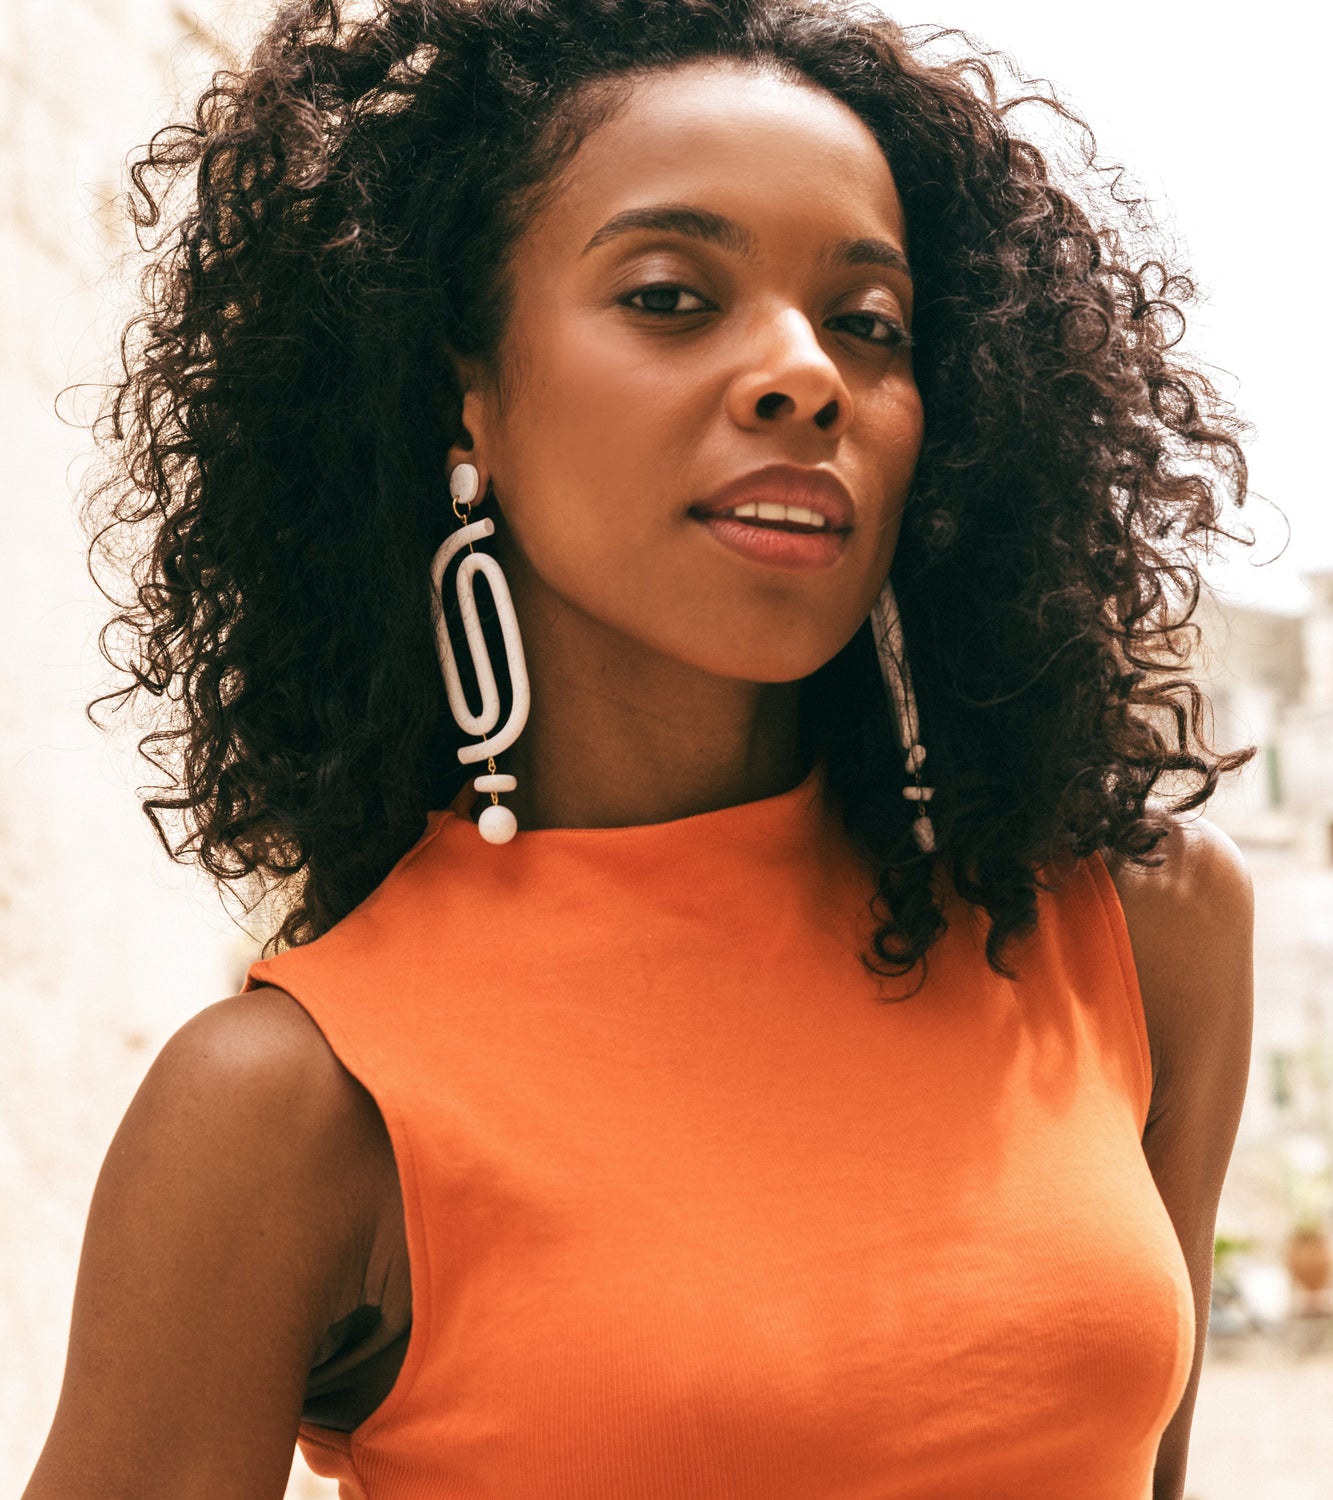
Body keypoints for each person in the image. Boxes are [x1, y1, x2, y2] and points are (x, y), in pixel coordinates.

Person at [26, 0, 1256, 1496]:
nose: (804, 372)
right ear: (466, 397)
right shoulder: (296, 1107)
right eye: (673, 296)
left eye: (869, 323)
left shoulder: (1129, 927)